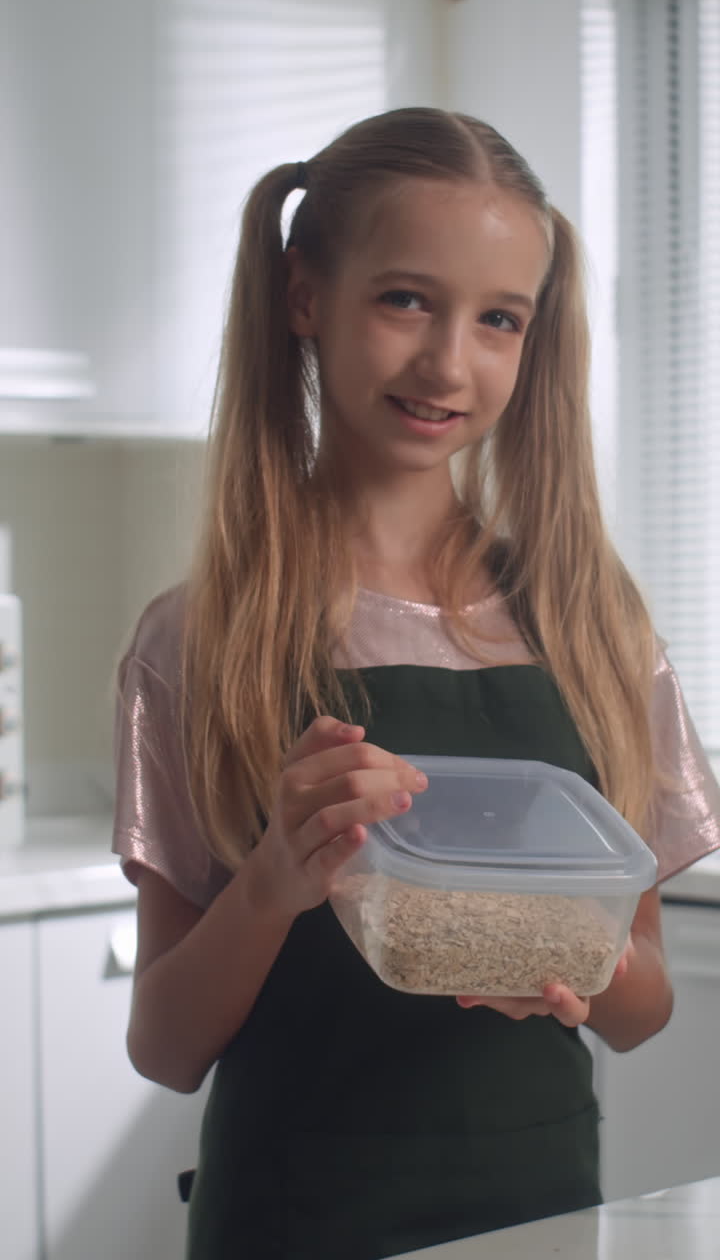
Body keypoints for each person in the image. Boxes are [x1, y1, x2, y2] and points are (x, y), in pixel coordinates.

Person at [113, 107, 720, 1260]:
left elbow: (644, 1009)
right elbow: (164, 1045)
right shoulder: (199, 639)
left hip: (539, 1208)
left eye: (499, 319)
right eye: (406, 299)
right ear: (305, 298)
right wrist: (273, 882)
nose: (450, 361)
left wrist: (569, 969)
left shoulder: (594, 625)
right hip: (295, 1214)